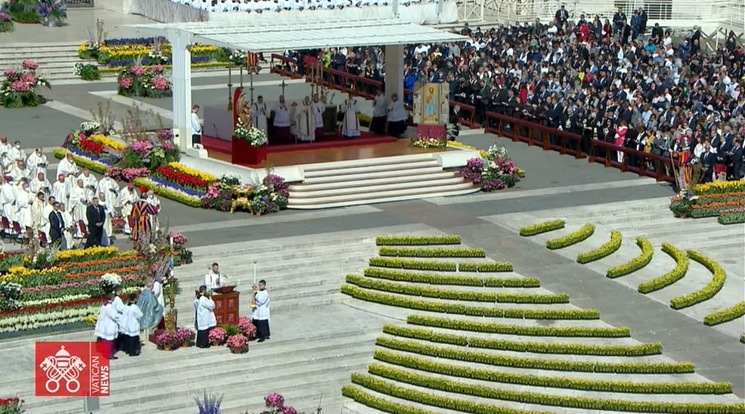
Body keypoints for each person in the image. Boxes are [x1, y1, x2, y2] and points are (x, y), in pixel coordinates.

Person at [94, 293, 119, 360]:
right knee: (109, 341)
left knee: (104, 339)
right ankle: (109, 354)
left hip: (104, 325)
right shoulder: (109, 307)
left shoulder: (104, 305)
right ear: (112, 298)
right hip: (109, 325)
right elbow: (114, 316)